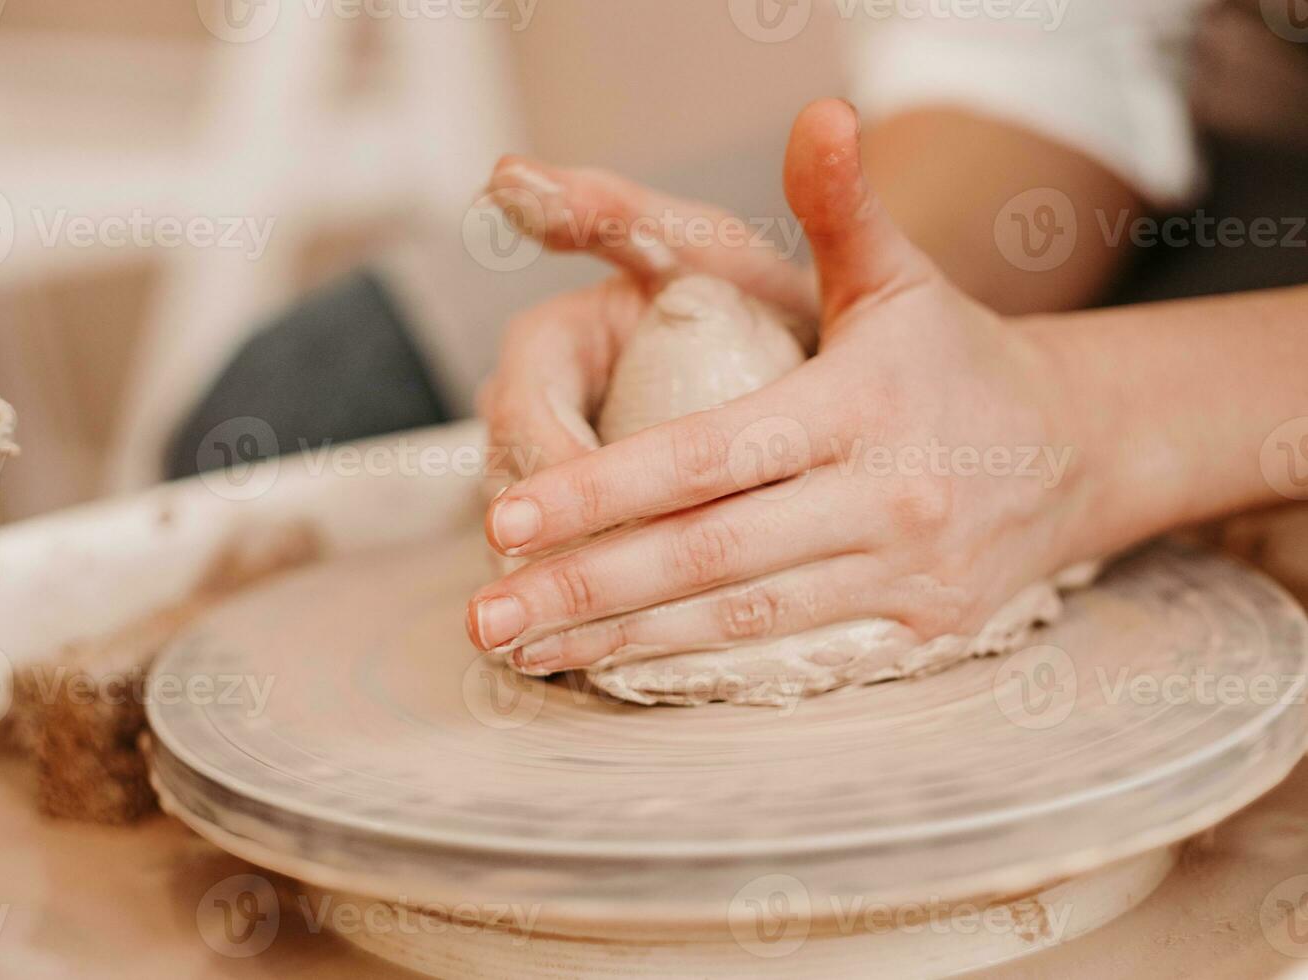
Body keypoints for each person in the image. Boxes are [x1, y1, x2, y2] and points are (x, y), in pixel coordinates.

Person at [464, 3, 1308, 667]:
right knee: (356, 364)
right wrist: (860, 321)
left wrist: (1088, 421)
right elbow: (1040, 53)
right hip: (1239, 117)